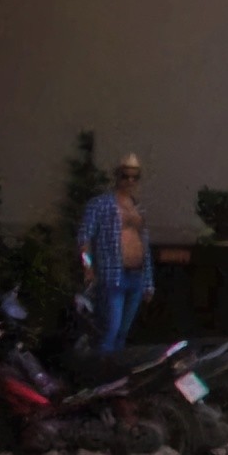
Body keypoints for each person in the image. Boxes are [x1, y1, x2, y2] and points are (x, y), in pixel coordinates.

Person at [79, 151, 151, 354]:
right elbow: (84, 239)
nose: (130, 181)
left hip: (136, 276)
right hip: (113, 276)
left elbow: (145, 245)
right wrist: (88, 267)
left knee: (123, 331)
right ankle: (102, 373)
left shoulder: (138, 208)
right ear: (117, 176)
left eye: (134, 177)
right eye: (125, 176)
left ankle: (114, 370)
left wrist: (148, 282)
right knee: (111, 329)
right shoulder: (100, 205)